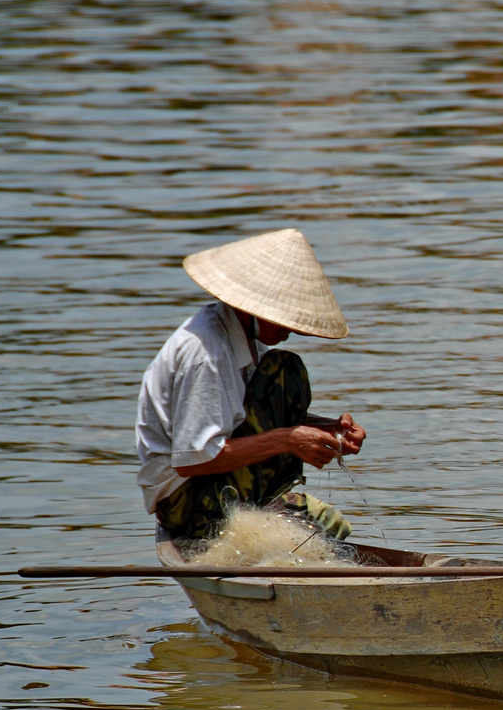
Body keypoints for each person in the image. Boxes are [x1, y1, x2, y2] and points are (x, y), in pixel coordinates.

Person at [136, 227, 368, 544]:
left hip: (217, 483)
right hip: (186, 502)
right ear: (251, 307)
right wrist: (289, 439)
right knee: (282, 371)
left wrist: (327, 430)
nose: (291, 329)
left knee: (331, 526)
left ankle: (263, 509)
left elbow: (240, 416)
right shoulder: (207, 354)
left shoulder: (245, 340)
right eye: (284, 318)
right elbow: (195, 460)